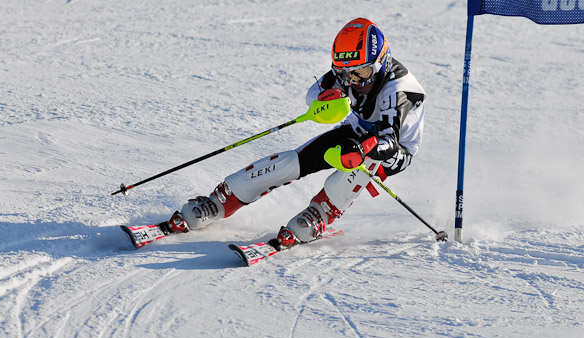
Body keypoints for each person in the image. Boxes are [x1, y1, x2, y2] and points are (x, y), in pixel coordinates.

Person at [162, 17, 426, 250]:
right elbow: (314, 93)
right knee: (292, 162)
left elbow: (389, 141)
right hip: (357, 131)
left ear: (382, 61)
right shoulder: (347, 72)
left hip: (392, 152)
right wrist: (326, 99)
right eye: (345, 73)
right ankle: (220, 201)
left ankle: (320, 213)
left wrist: (362, 148)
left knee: (354, 166)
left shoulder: (398, 90)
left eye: (362, 72)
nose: (354, 81)